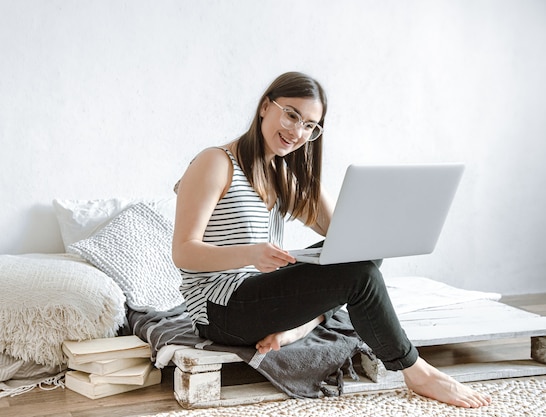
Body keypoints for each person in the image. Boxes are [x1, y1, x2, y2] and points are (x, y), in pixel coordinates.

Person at [171, 71, 491, 408]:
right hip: (219, 310)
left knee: (362, 255)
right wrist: (250, 253)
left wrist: (305, 171)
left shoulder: (278, 172)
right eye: (291, 115)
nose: (297, 131)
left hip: (254, 295)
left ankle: (303, 325)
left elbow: (344, 236)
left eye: (309, 126)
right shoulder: (215, 162)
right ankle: (415, 370)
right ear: (265, 107)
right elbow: (184, 252)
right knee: (359, 276)